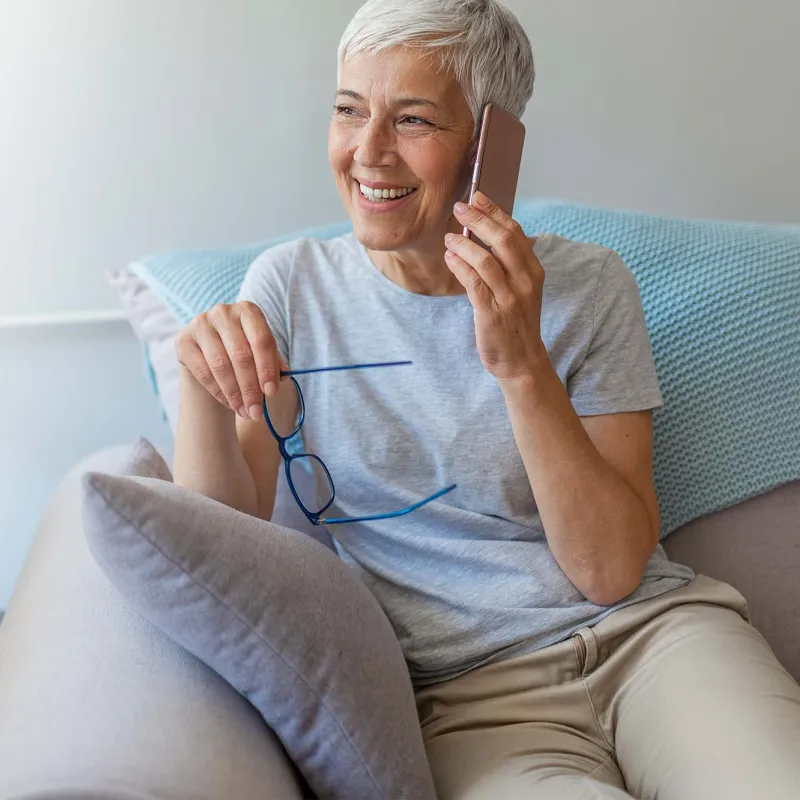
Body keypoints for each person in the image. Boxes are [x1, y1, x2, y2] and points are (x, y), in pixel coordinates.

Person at [173, 1, 800, 797]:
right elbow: (219, 536)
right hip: (471, 696)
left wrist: (521, 363)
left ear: (488, 145)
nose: (368, 152)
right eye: (348, 111)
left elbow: (611, 570)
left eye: (413, 120)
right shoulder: (292, 291)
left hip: (657, 642)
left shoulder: (589, 286)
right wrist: (199, 385)